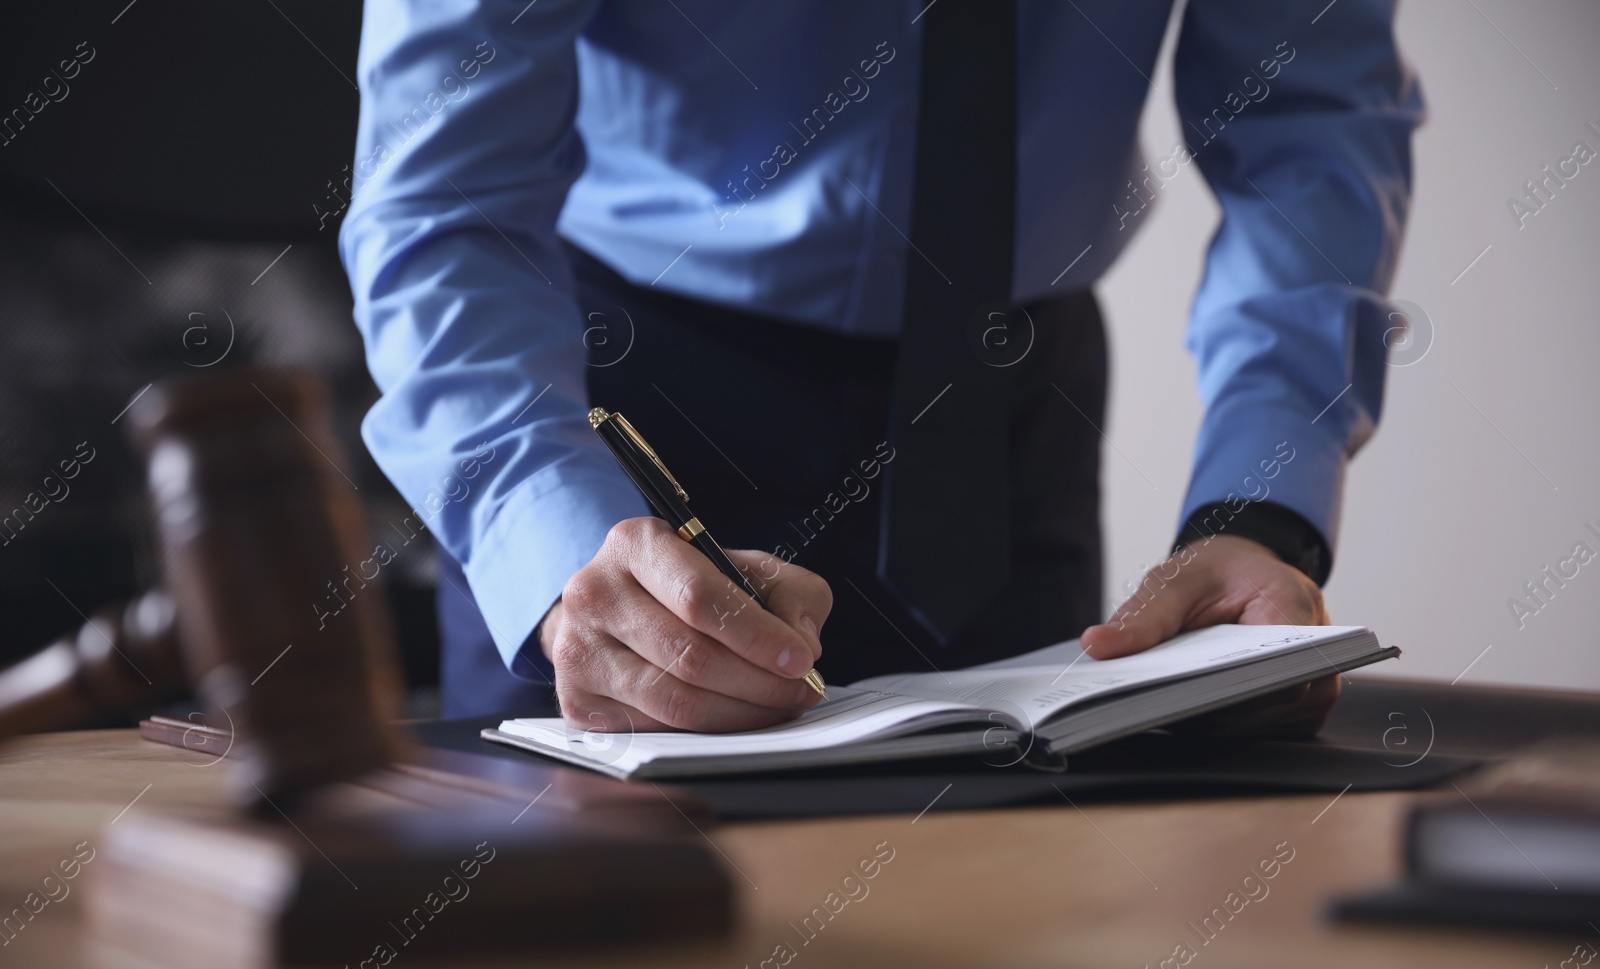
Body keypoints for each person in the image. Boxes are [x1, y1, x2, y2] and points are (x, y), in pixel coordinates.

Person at [341, 0, 1422, 733]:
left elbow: (1312, 120)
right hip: (615, 417)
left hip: (1007, 415)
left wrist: (1259, 502)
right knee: (577, 961)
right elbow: (439, 198)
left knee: (1022, 939)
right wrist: (548, 522)